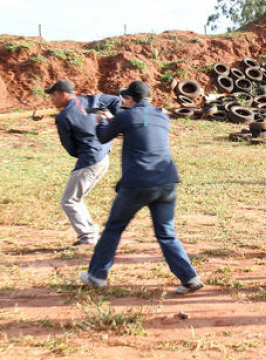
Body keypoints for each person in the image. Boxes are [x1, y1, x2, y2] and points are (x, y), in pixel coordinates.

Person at [80, 81, 203, 294]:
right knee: (166, 234)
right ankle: (190, 277)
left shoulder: (125, 117)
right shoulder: (162, 116)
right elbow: (141, 131)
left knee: (113, 229)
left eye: (125, 98)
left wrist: (101, 121)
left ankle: (97, 276)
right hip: (165, 181)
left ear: (130, 99)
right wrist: (116, 121)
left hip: (137, 183)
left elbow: (102, 137)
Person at [46, 79, 122, 246]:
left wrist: (82, 153)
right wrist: (114, 121)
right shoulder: (88, 100)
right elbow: (116, 100)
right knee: (76, 198)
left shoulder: (64, 116)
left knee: (69, 200)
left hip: (90, 159)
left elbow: (70, 147)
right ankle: (89, 233)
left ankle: (88, 237)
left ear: (62, 94)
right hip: (103, 156)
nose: (51, 100)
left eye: (53, 96)